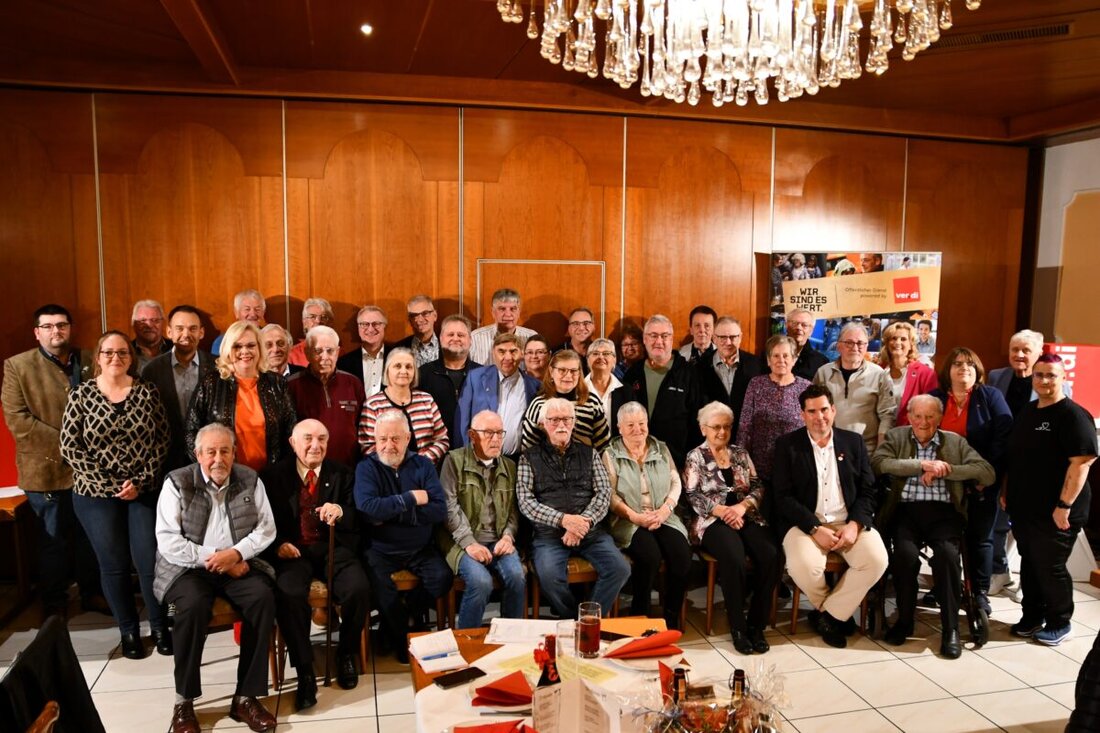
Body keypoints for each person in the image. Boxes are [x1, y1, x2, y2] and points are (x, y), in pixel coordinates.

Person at [154, 423, 277, 733]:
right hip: (187, 568)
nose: (218, 459)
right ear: (198, 454)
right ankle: (184, 703)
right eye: (210, 452)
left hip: (237, 563)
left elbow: (266, 529)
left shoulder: (249, 479)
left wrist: (235, 554)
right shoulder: (177, 482)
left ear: (234, 453)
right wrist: (216, 558)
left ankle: (245, 697)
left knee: (262, 598)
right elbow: (168, 540)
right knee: (192, 607)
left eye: (225, 451)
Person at [60, 331, 171, 659]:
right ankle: (128, 632)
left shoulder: (148, 392)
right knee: (114, 565)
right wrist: (110, 485)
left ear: (130, 357)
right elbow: (70, 446)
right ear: (98, 357)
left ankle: (160, 626)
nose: (115, 358)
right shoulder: (81, 395)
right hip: (94, 494)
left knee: (149, 560)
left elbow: (163, 440)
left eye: (122, 352)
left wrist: (139, 480)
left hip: (143, 490)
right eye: (108, 353)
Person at [872, 395, 995, 659]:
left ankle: (950, 628)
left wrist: (945, 470)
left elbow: (986, 472)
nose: (923, 422)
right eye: (917, 416)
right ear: (909, 416)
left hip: (945, 513)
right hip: (905, 511)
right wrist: (921, 466)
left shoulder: (955, 442)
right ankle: (904, 621)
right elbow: (879, 464)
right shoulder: (896, 437)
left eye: (930, 417)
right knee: (904, 555)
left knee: (948, 557)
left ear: (939, 418)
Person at [2, 304, 104, 618]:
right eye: (47, 326)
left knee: (91, 537)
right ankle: (55, 602)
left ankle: (92, 594)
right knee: (53, 539)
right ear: (37, 332)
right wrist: (70, 444)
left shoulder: (90, 359)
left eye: (61, 325)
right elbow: (18, 420)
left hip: (92, 471)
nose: (55, 331)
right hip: (46, 470)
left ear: (70, 328)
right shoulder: (18, 366)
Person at [771, 385, 889, 649]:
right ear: (802, 415)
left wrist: (855, 525)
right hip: (805, 524)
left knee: (877, 560)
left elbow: (869, 490)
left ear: (833, 410)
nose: (819, 417)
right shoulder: (787, 445)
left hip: (848, 520)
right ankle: (836, 613)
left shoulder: (853, 442)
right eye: (811, 411)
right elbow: (782, 497)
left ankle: (829, 615)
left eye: (824, 409)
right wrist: (814, 528)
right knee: (802, 566)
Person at [260, 419, 368, 706]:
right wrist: (276, 545)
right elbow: (260, 522)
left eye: (321, 439)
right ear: (293, 443)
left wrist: (341, 511)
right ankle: (305, 668)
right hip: (292, 551)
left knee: (358, 588)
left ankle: (346, 653)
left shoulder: (343, 473)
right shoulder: (272, 476)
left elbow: (359, 517)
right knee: (289, 593)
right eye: (307, 438)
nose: (315, 445)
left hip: (333, 548)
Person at [1004, 354, 1097, 646]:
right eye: (1039, 375)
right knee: (1030, 563)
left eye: (1051, 375)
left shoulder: (1073, 415)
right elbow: (1016, 457)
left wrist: (1064, 506)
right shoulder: (1028, 411)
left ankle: (1060, 622)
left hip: (1059, 510)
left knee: (1050, 566)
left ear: (1063, 377)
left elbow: (1081, 464)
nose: (1044, 381)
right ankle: (1032, 616)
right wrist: (1007, 492)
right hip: (1024, 507)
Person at [517, 398, 630, 619]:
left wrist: (583, 522)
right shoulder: (528, 457)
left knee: (620, 569)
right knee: (549, 576)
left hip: (591, 532)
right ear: (543, 424)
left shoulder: (590, 453)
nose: (561, 425)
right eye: (554, 419)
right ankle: (573, 619)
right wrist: (564, 521)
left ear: (574, 422)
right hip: (549, 535)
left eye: (567, 419)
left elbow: (604, 493)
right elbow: (526, 502)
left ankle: (588, 619)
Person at [354, 410, 451, 664]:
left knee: (442, 578)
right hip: (380, 548)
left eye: (396, 438)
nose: (388, 445)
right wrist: (410, 499)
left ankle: (406, 615)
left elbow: (439, 509)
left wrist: (392, 512)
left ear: (408, 438)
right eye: (382, 439)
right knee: (380, 590)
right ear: (374, 440)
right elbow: (368, 510)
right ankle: (402, 637)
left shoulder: (423, 465)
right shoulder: (367, 467)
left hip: (420, 547)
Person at [684, 401, 778, 653]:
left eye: (726, 427)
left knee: (771, 555)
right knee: (734, 557)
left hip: (745, 514)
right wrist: (723, 511)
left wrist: (742, 507)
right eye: (716, 427)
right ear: (703, 428)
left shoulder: (740, 453)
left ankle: (756, 625)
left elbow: (758, 485)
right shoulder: (695, 456)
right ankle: (738, 626)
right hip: (712, 520)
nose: (722, 432)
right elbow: (692, 494)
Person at [986, 328, 1071, 598]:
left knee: (1031, 529)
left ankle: (1028, 580)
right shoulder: (997, 376)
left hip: (1037, 465)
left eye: (1026, 350)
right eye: (1015, 349)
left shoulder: (1054, 383)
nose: (1019, 355)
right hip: (1002, 459)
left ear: (1038, 353)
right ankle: (998, 571)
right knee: (996, 522)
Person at [928, 347, 1013, 613]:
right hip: (943, 482)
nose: (963, 368)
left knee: (980, 539)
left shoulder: (990, 397)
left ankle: (979, 593)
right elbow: (921, 434)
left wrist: (986, 475)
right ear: (948, 371)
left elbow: (1003, 436)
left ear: (977, 370)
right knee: (944, 538)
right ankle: (942, 586)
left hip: (982, 481)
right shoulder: (936, 398)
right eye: (957, 363)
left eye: (969, 364)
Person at [605, 402, 690, 630]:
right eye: (630, 425)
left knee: (681, 554)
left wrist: (665, 510)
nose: (637, 429)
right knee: (650, 556)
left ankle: (670, 617)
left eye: (641, 424)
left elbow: (675, 482)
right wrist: (635, 517)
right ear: (619, 428)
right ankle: (640, 616)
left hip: (663, 515)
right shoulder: (610, 454)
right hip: (628, 520)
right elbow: (610, 495)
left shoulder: (660, 448)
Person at [439, 410, 526, 629]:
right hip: (459, 541)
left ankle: (509, 639)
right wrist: (469, 543)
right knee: (481, 582)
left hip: (497, 539)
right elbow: (448, 508)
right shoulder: (454, 461)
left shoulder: (510, 467)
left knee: (516, 576)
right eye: (488, 433)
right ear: (471, 435)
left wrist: (508, 536)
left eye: (499, 433)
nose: (496, 439)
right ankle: (467, 642)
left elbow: (515, 510)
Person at [186, 320, 297, 472]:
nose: (245, 351)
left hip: (271, 476)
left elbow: (291, 431)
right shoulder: (211, 383)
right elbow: (191, 431)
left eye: (251, 345)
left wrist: (281, 470)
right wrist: (211, 468)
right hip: (225, 475)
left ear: (259, 348)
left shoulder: (277, 383)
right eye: (237, 346)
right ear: (227, 349)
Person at [142, 305, 216, 477]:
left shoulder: (217, 367)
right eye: (179, 328)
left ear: (201, 333)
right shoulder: (152, 370)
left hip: (207, 456)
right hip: (165, 458)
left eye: (192, 329)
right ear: (169, 332)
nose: (186, 334)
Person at [623, 314, 703, 470]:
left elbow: (698, 422)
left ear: (671, 339)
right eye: (653, 336)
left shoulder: (689, 374)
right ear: (645, 339)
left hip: (676, 462)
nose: (659, 341)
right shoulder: (633, 373)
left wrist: (690, 461)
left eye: (664, 336)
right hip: (636, 461)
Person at [286, 325, 365, 467]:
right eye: (318, 351)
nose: (325, 357)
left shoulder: (353, 382)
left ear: (338, 352)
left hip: (348, 467)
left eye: (330, 351)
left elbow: (362, 426)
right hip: (308, 468)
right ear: (307, 353)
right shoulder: (291, 386)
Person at [736, 335, 812, 483]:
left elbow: (812, 427)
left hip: (795, 466)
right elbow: (745, 425)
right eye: (775, 355)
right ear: (768, 360)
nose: (781, 360)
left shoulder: (806, 387)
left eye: (786, 355)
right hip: (760, 468)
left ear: (794, 359)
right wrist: (742, 461)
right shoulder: (756, 384)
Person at [813, 321, 897, 453]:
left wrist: (881, 451)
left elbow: (887, 415)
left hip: (866, 451)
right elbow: (814, 411)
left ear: (866, 346)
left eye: (860, 343)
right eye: (849, 343)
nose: (855, 347)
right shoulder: (823, 373)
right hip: (829, 449)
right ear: (839, 346)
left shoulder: (879, 375)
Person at [454, 333, 541, 457]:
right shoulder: (476, 377)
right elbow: (462, 421)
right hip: (478, 458)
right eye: (501, 351)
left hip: (516, 461)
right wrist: (462, 457)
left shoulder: (534, 386)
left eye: (513, 351)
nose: (507, 357)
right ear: (493, 353)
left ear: (521, 353)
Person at [358, 347, 449, 464]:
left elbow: (442, 439)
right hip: (387, 475)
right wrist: (397, 464)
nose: (403, 371)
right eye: (397, 366)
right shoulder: (373, 405)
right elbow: (367, 446)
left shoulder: (426, 400)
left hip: (424, 471)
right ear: (387, 370)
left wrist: (422, 461)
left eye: (409, 367)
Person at [520, 349, 610, 452]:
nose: (568, 376)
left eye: (573, 371)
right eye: (562, 370)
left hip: (586, 465)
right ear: (551, 371)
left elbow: (603, 446)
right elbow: (528, 448)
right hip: (547, 465)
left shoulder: (592, 402)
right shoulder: (538, 404)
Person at [696, 316, 762, 439]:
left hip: (746, 438)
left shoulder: (756, 365)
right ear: (714, 338)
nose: (728, 342)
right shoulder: (698, 367)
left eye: (733, 337)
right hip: (711, 439)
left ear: (740, 337)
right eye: (722, 337)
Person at [418, 315, 482, 440]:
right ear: (441, 339)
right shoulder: (424, 373)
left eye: (461, 335)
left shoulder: (483, 375)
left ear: (470, 340)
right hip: (434, 448)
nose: (455, 338)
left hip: (472, 450)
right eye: (450, 334)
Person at [876, 321, 937, 427]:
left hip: (909, 436)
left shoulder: (925, 374)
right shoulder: (877, 371)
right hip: (878, 434)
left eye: (903, 339)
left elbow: (931, 411)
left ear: (911, 344)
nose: (897, 343)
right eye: (893, 338)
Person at [469, 288, 538, 365]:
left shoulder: (531, 337)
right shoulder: (475, 338)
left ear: (519, 312)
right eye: (502, 309)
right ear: (493, 312)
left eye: (513, 309)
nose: (508, 314)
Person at [584, 338, 634, 437]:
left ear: (614, 359)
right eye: (595, 353)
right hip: (584, 450)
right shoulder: (577, 389)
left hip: (617, 449)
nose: (601, 357)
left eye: (606, 353)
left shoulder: (626, 390)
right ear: (587, 359)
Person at [336, 305, 389, 397]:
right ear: (358, 328)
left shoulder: (397, 358)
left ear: (385, 326)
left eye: (376, 324)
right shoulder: (343, 363)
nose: (371, 329)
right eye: (365, 324)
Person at [211, 289, 266, 356]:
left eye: (257, 309)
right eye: (247, 309)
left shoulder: (269, 337)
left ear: (263, 313)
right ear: (236, 313)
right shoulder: (223, 341)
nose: (253, 314)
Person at [287, 297, 334, 368]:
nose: (318, 321)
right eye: (312, 317)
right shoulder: (292, 354)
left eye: (323, 317)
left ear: (329, 323)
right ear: (304, 322)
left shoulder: (338, 352)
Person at [784, 308, 829, 381]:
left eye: (804, 325)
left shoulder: (821, 362)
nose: (798, 327)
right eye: (794, 323)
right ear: (786, 326)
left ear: (811, 330)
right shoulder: (769, 355)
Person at [396, 294, 439, 367]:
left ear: (435, 316)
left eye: (425, 313)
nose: (420, 319)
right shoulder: (398, 348)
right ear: (409, 320)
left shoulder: (448, 344)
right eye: (414, 315)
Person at [130, 299, 172, 369]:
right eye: (143, 321)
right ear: (133, 324)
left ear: (163, 323)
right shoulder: (126, 351)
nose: (149, 325)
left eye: (155, 320)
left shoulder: (176, 349)